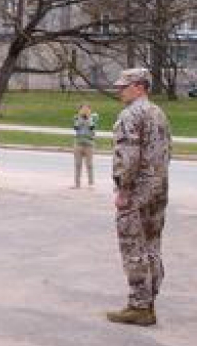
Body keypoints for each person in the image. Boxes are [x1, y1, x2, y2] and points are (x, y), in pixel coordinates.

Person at [107, 68, 171, 327]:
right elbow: (167, 150)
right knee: (152, 244)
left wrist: (123, 189)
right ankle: (150, 298)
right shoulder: (158, 113)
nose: (119, 91)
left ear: (139, 87)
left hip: (137, 191)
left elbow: (128, 157)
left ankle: (139, 305)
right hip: (158, 187)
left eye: (124, 87)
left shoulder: (131, 115)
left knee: (133, 245)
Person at [72, 104, 97, 188]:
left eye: (87, 109)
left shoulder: (94, 117)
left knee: (89, 164)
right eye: (83, 109)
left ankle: (91, 183)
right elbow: (76, 127)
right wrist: (81, 118)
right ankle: (77, 183)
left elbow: (92, 127)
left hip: (89, 144)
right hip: (78, 143)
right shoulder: (76, 117)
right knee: (78, 164)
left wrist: (88, 118)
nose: (85, 111)